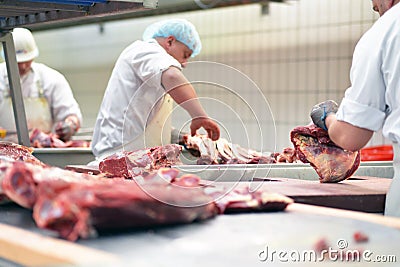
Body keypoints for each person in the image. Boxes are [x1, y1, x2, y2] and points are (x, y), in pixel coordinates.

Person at [310, 0, 400, 217]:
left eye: (377, 8)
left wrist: (327, 117)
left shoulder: (386, 29)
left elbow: (351, 136)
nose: (379, 12)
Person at [91, 18, 220, 161]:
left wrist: (182, 137)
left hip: (135, 158)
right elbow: (172, 76)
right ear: (170, 42)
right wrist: (199, 116)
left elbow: (147, 121)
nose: (184, 64)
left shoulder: (154, 66)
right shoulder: (145, 50)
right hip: (120, 157)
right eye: (185, 55)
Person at [0, 27, 82, 142]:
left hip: (44, 150)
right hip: (4, 153)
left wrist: (70, 124)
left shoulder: (52, 78)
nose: (23, 66)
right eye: (18, 62)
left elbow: (71, 115)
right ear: (6, 57)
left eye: (27, 60)